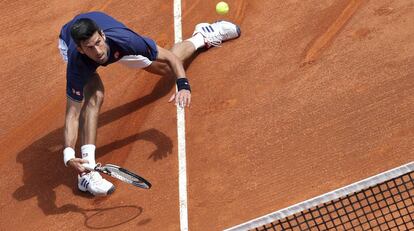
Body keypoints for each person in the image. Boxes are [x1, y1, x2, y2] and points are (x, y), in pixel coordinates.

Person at [59, 11, 241, 196]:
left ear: (103, 36)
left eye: (98, 43)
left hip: (116, 45)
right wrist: (69, 156)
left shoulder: (126, 41)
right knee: (94, 94)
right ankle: (87, 171)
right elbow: (72, 114)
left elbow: (170, 58)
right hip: (71, 42)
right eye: (90, 47)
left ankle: (202, 35)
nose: (97, 51)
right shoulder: (77, 62)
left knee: (164, 68)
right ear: (81, 49)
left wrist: (183, 84)